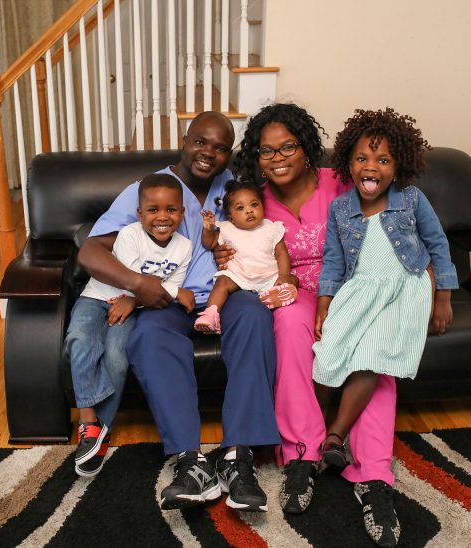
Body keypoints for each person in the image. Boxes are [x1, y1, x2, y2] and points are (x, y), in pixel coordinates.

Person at [78, 111, 280, 513]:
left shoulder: (235, 187)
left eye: (221, 148)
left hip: (228, 290)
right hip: (170, 299)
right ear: (184, 141)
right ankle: (191, 462)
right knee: (149, 337)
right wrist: (139, 286)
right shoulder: (149, 189)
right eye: (200, 142)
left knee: (257, 318)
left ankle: (238, 457)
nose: (209, 153)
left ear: (230, 154)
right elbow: (90, 250)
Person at [314, 107, 457, 547]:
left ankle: (336, 437)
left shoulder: (412, 200)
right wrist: (324, 303)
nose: (370, 167)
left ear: (399, 167)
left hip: (404, 288)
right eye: (361, 158)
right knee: (329, 351)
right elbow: (335, 260)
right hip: (360, 288)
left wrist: (443, 296)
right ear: (347, 164)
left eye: (382, 160)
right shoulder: (341, 208)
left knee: (372, 355)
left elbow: (437, 244)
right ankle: (317, 430)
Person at [230, 103, 348, 518]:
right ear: (256, 157)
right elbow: (231, 246)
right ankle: (302, 452)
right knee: (289, 320)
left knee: (338, 326)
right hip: (289, 287)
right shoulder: (253, 204)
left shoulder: (340, 184)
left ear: (307, 148)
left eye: (288, 147)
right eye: (267, 151)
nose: (278, 158)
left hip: (345, 285)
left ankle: (340, 438)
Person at [65, 174, 194, 478]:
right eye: (153, 210)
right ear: (139, 214)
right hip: (99, 297)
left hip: (133, 305)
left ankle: (98, 432)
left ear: (182, 213)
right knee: (80, 339)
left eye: (171, 210)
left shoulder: (184, 247)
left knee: (117, 356)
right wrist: (171, 294)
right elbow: (131, 279)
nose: (162, 217)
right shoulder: (128, 235)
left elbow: (166, 286)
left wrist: (146, 299)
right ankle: (87, 419)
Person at [194, 179, 297, 334]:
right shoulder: (227, 228)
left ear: (263, 206)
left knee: (293, 280)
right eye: (240, 208)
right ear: (231, 217)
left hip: (269, 277)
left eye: (254, 205)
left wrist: (283, 275)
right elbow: (209, 244)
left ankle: (273, 296)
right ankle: (211, 314)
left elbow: (281, 253)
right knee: (222, 282)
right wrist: (208, 229)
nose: (249, 210)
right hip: (239, 276)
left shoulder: (271, 227)